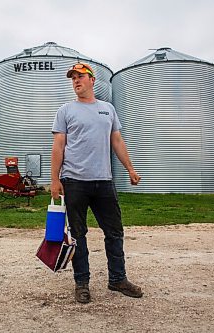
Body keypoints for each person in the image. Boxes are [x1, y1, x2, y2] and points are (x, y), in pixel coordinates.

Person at [50, 62, 143, 303]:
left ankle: (117, 279)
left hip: (103, 181)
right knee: (78, 235)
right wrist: (54, 179)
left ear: (92, 80)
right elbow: (58, 146)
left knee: (114, 232)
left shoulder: (108, 109)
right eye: (73, 78)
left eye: (80, 76)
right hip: (74, 182)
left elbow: (117, 141)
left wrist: (130, 169)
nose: (76, 81)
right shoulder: (66, 110)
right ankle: (82, 283)